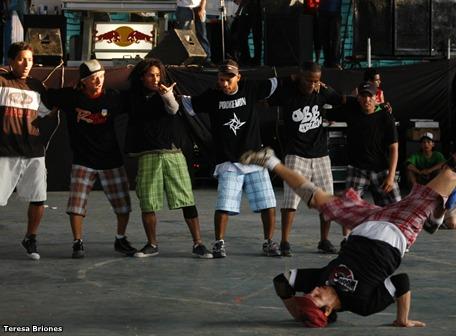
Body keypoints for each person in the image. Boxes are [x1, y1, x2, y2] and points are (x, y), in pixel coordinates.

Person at [240, 147, 456, 328]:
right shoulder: (362, 304)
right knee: (448, 175)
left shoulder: (322, 280)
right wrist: (402, 319)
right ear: (327, 309)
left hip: (366, 223)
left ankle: (271, 161)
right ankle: (434, 216)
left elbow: (282, 282)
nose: (314, 289)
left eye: (310, 292)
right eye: (315, 297)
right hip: (398, 228)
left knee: (317, 199)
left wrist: (298, 313)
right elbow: (402, 281)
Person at [181, 59, 280, 258]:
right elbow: (188, 104)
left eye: (229, 79)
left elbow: (275, 82)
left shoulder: (250, 89)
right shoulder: (212, 96)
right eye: (221, 80)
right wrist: (167, 94)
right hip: (228, 161)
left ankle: (269, 242)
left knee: (268, 203)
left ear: (238, 77)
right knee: (224, 205)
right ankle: (219, 243)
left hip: (254, 158)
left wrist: (296, 77)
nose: (225, 84)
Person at [46, 60, 136, 258]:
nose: (98, 81)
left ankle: (120, 238)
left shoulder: (113, 97)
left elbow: (137, 99)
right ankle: (77, 242)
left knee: (123, 204)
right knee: (76, 204)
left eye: (101, 77)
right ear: (84, 81)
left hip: (110, 159)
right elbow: (46, 95)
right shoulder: (71, 97)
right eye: (93, 78)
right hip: (83, 159)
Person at [124, 58, 212, 258]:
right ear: (142, 77)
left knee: (186, 199)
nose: (155, 79)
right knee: (147, 202)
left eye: (157, 75)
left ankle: (198, 243)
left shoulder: (167, 93)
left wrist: (168, 96)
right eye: (150, 75)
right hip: (148, 155)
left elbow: (173, 109)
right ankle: (152, 244)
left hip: (172, 154)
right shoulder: (133, 98)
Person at [267, 62, 344, 255]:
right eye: (309, 80)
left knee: (327, 201)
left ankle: (324, 240)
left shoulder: (321, 91)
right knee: (291, 200)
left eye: (316, 80)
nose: (313, 84)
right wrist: (287, 79)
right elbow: (266, 100)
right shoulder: (288, 92)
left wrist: (326, 87)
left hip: (320, 153)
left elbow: (339, 100)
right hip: (295, 152)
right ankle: (284, 241)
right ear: (300, 77)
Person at [0, 42, 52, 260]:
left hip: (33, 153)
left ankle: (30, 238)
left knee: (38, 198)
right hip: (5, 151)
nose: (26, 63)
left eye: (30, 59)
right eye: (21, 59)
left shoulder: (37, 86)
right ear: (11, 61)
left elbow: (46, 111)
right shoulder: (1, 82)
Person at [176, 0, 212, 65]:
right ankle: (191, 56)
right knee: (185, 34)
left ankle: (206, 59)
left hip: (199, 6)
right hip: (183, 6)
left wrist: (202, 8)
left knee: (202, 34)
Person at [230, 0, 262, 66]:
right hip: (248, 9)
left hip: (255, 8)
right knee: (243, 35)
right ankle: (246, 58)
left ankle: (254, 60)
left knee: (256, 36)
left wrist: (239, 9)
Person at [318, 0, 342, 69]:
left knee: (335, 38)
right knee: (325, 38)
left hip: (334, 12)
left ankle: (335, 61)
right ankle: (328, 61)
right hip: (323, 11)